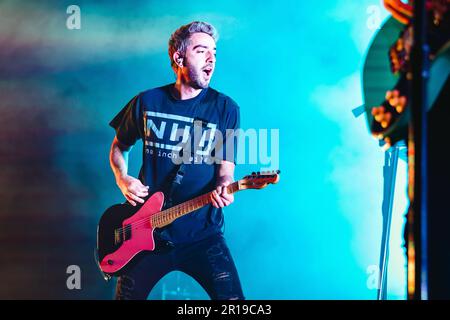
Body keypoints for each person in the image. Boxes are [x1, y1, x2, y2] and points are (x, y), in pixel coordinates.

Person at [108, 21, 244, 300]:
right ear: (178, 57)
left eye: (214, 53)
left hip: (203, 235)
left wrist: (225, 187)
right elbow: (118, 148)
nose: (211, 59)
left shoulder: (225, 108)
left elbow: (225, 171)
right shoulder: (147, 101)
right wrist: (122, 178)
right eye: (201, 51)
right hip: (146, 233)